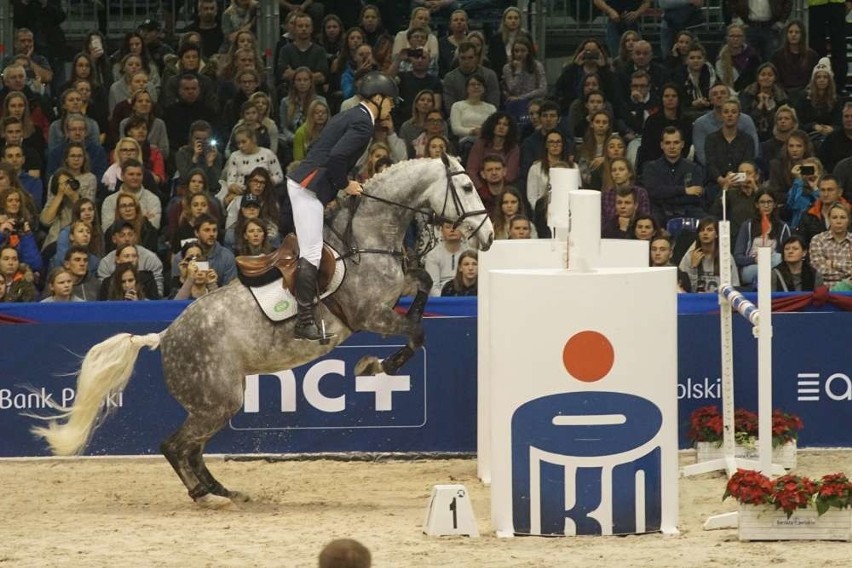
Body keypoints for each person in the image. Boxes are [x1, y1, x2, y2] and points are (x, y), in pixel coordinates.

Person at [286, 71, 398, 340]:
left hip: (309, 184)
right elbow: (336, 156)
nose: (393, 106)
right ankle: (304, 321)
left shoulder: (353, 115)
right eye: (391, 101)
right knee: (311, 251)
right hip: (307, 187)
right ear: (379, 98)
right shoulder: (363, 124)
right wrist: (343, 184)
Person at [642, 126, 706, 223]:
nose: (672, 147)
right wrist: (684, 190)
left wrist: (666, 194)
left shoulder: (694, 168)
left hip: (689, 212)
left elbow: (695, 196)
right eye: (668, 143)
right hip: (660, 213)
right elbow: (653, 192)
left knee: (709, 222)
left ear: (682, 144)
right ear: (661, 145)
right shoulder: (651, 168)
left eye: (676, 142)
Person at [733, 188, 791, 286]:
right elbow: (738, 256)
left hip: (774, 266)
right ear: (757, 205)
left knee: (777, 258)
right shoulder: (747, 226)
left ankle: (761, 285)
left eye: (769, 202)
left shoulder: (783, 227)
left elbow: (787, 255)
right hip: (752, 267)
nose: (766, 206)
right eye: (762, 202)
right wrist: (755, 260)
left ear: (774, 204)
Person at [678, 217, 740, 292]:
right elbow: (683, 289)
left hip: (720, 300)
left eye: (710, 230)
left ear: (717, 234)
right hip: (696, 299)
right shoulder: (690, 256)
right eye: (702, 230)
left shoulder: (725, 256)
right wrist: (693, 268)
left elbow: (735, 285)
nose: (705, 233)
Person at [808, 201, 852, 288]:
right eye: (834, 217)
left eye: (842, 217)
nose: (838, 221)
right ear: (829, 219)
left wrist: (833, 264)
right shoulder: (818, 240)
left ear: (849, 220)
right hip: (826, 292)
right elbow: (819, 270)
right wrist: (847, 275)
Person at [770, 20, 819, 98]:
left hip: (805, 94)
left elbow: (813, 78)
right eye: (790, 32)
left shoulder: (812, 56)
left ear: (802, 35)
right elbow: (775, 79)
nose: (793, 35)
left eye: (797, 32)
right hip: (783, 94)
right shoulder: (777, 56)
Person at [795, 174, 848, 246]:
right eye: (822, 190)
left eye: (830, 190)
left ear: (840, 192)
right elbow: (801, 242)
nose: (826, 194)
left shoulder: (849, 212)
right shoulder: (808, 214)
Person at [424, 221, 473, 297]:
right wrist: (448, 302)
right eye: (448, 227)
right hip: (443, 299)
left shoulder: (470, 252)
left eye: (456, 226)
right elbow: (433, 287)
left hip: (467, 296)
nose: (452, 230)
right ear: (441, 230)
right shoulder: (432, 255)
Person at [818, 102, 852, 173]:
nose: (849, 119)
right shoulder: (832, 138)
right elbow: (822, 162)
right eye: (846, 116)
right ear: (842, 118)